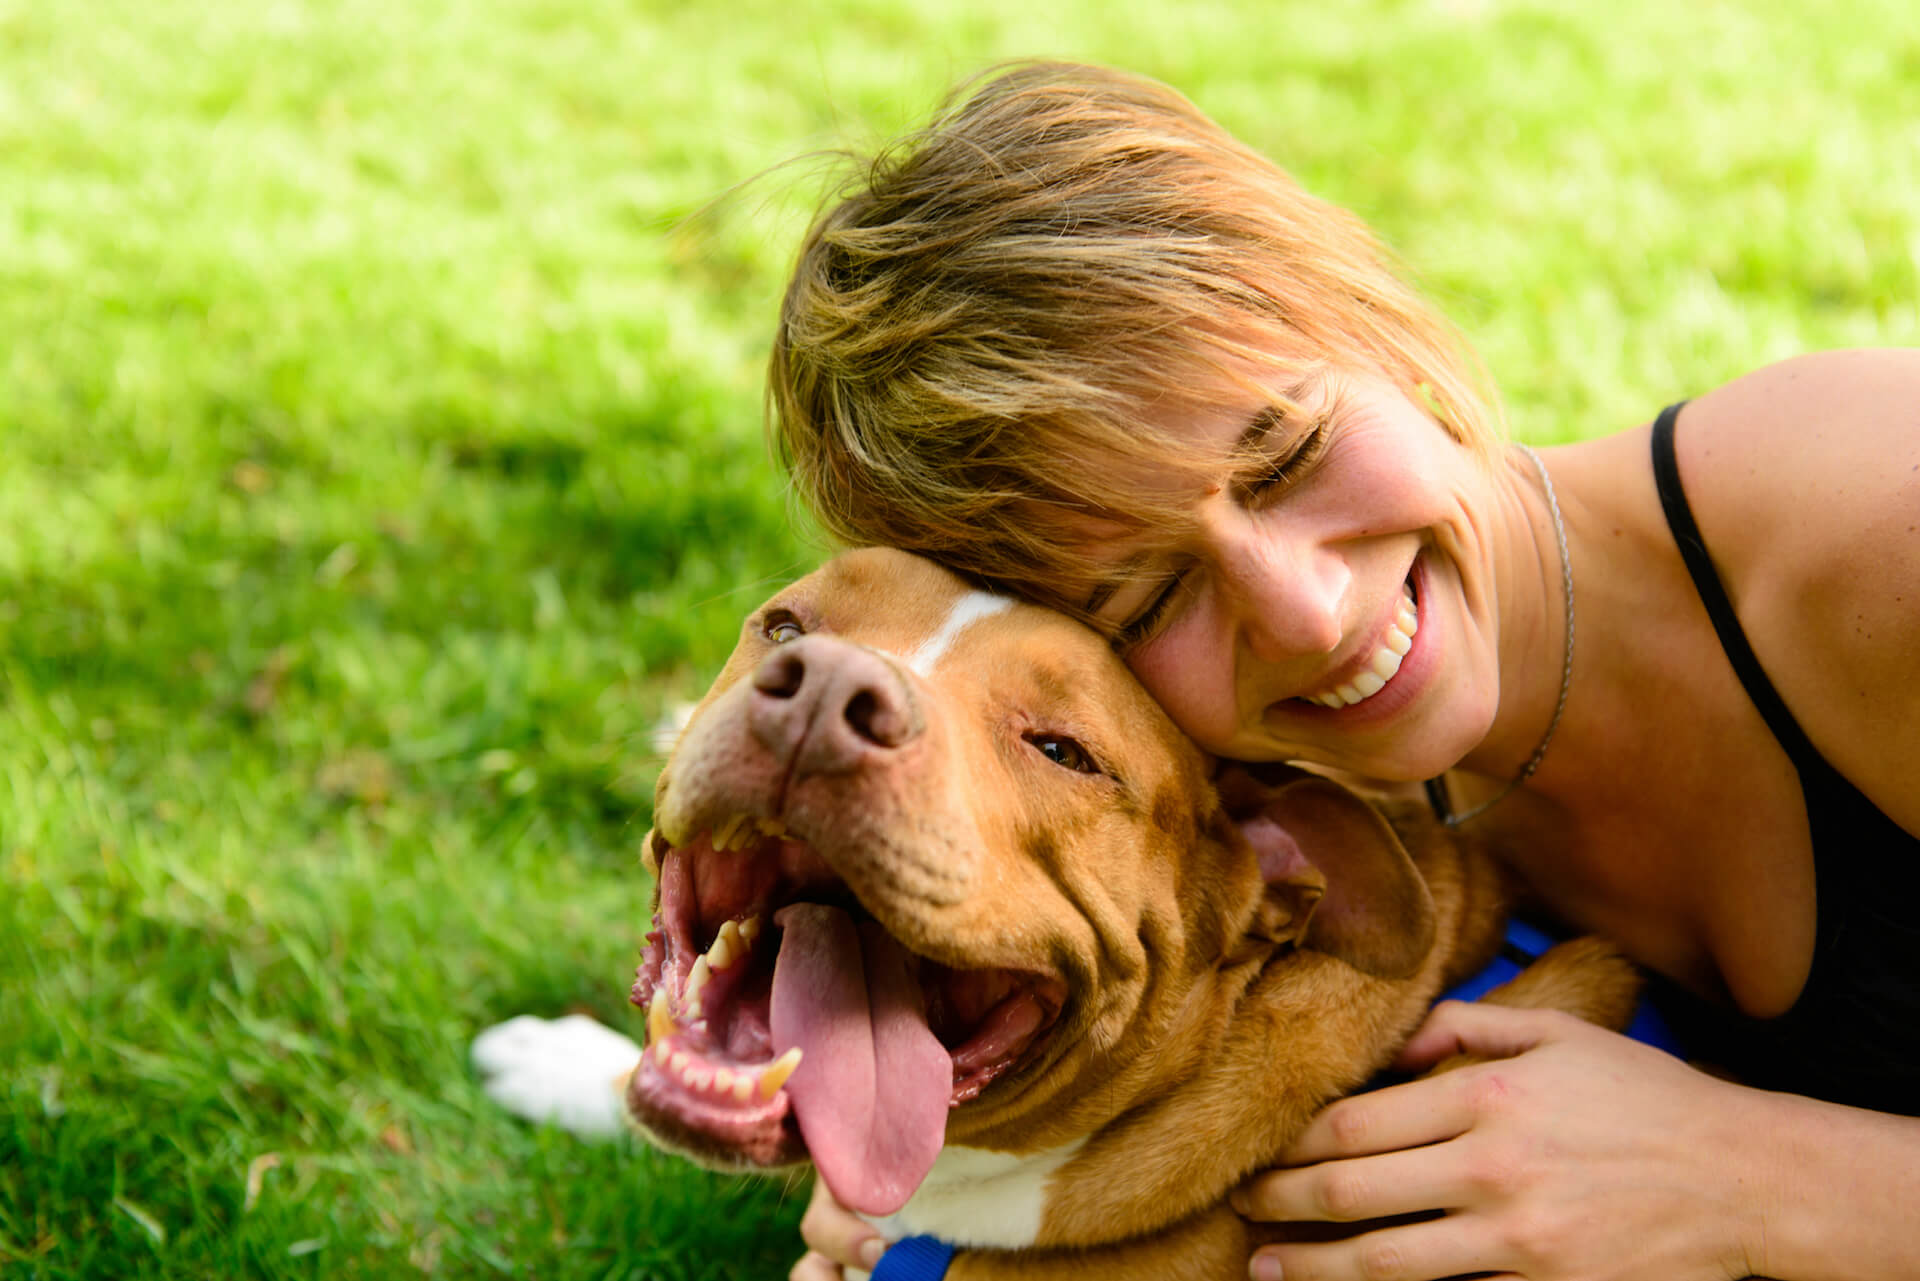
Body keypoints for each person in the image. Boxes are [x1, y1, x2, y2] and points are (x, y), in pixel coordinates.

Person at [765, 61, 1920, 1281]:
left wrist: (1734, 1175)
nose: (1307, 613)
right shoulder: (1260, 798)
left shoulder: (1875, 537)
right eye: (1153, 597)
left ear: (1376, 322)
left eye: (1288, 451)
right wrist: (907, 1153)